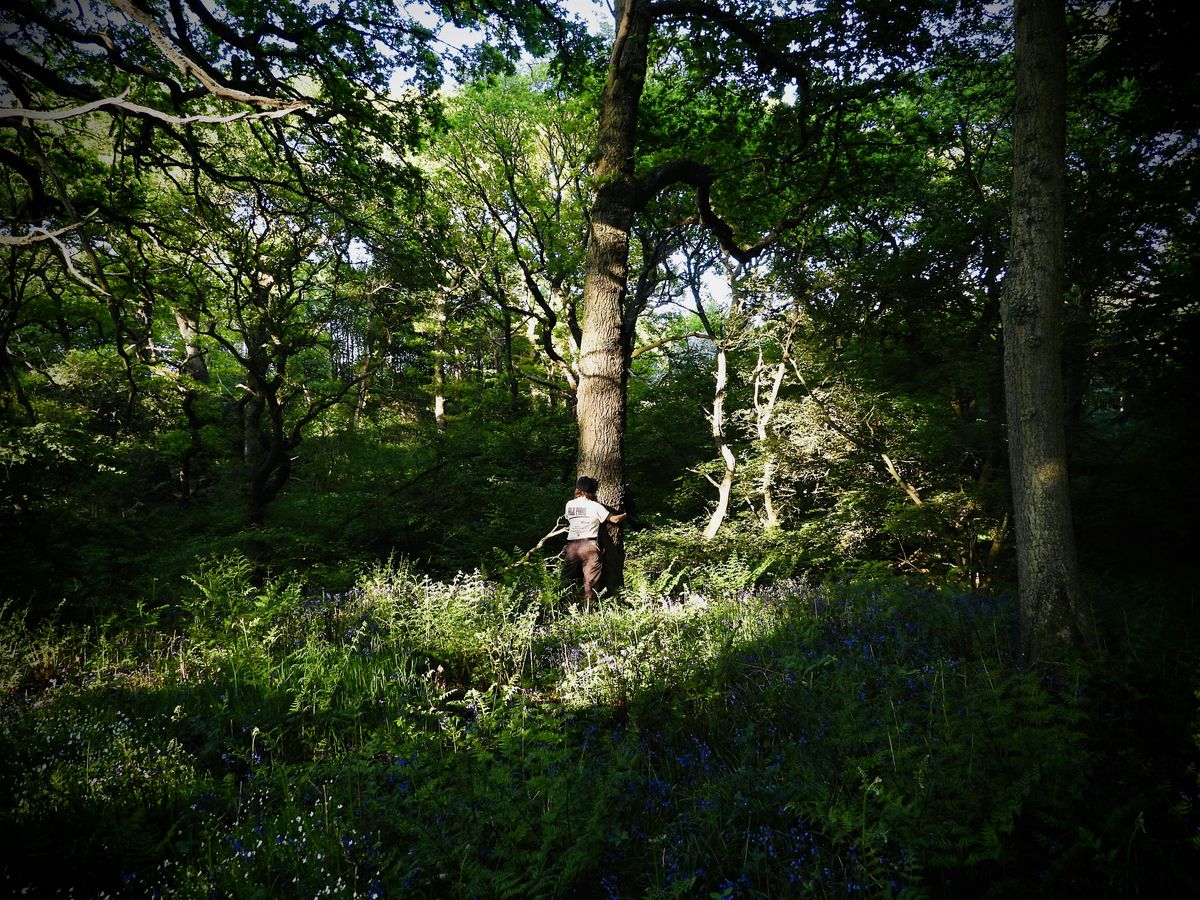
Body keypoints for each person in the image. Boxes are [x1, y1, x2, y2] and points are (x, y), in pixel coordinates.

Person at [563, 475, 626, 604]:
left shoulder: (569, 504)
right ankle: (589, 608)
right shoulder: (595, 506)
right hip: (589, 545)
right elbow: (614, 519)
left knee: (567, 577)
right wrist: (626, 514)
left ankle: (563, 605)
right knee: (590, 581)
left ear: (577, 489)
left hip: (572, 546)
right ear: (592, 490)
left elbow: (568, 518)